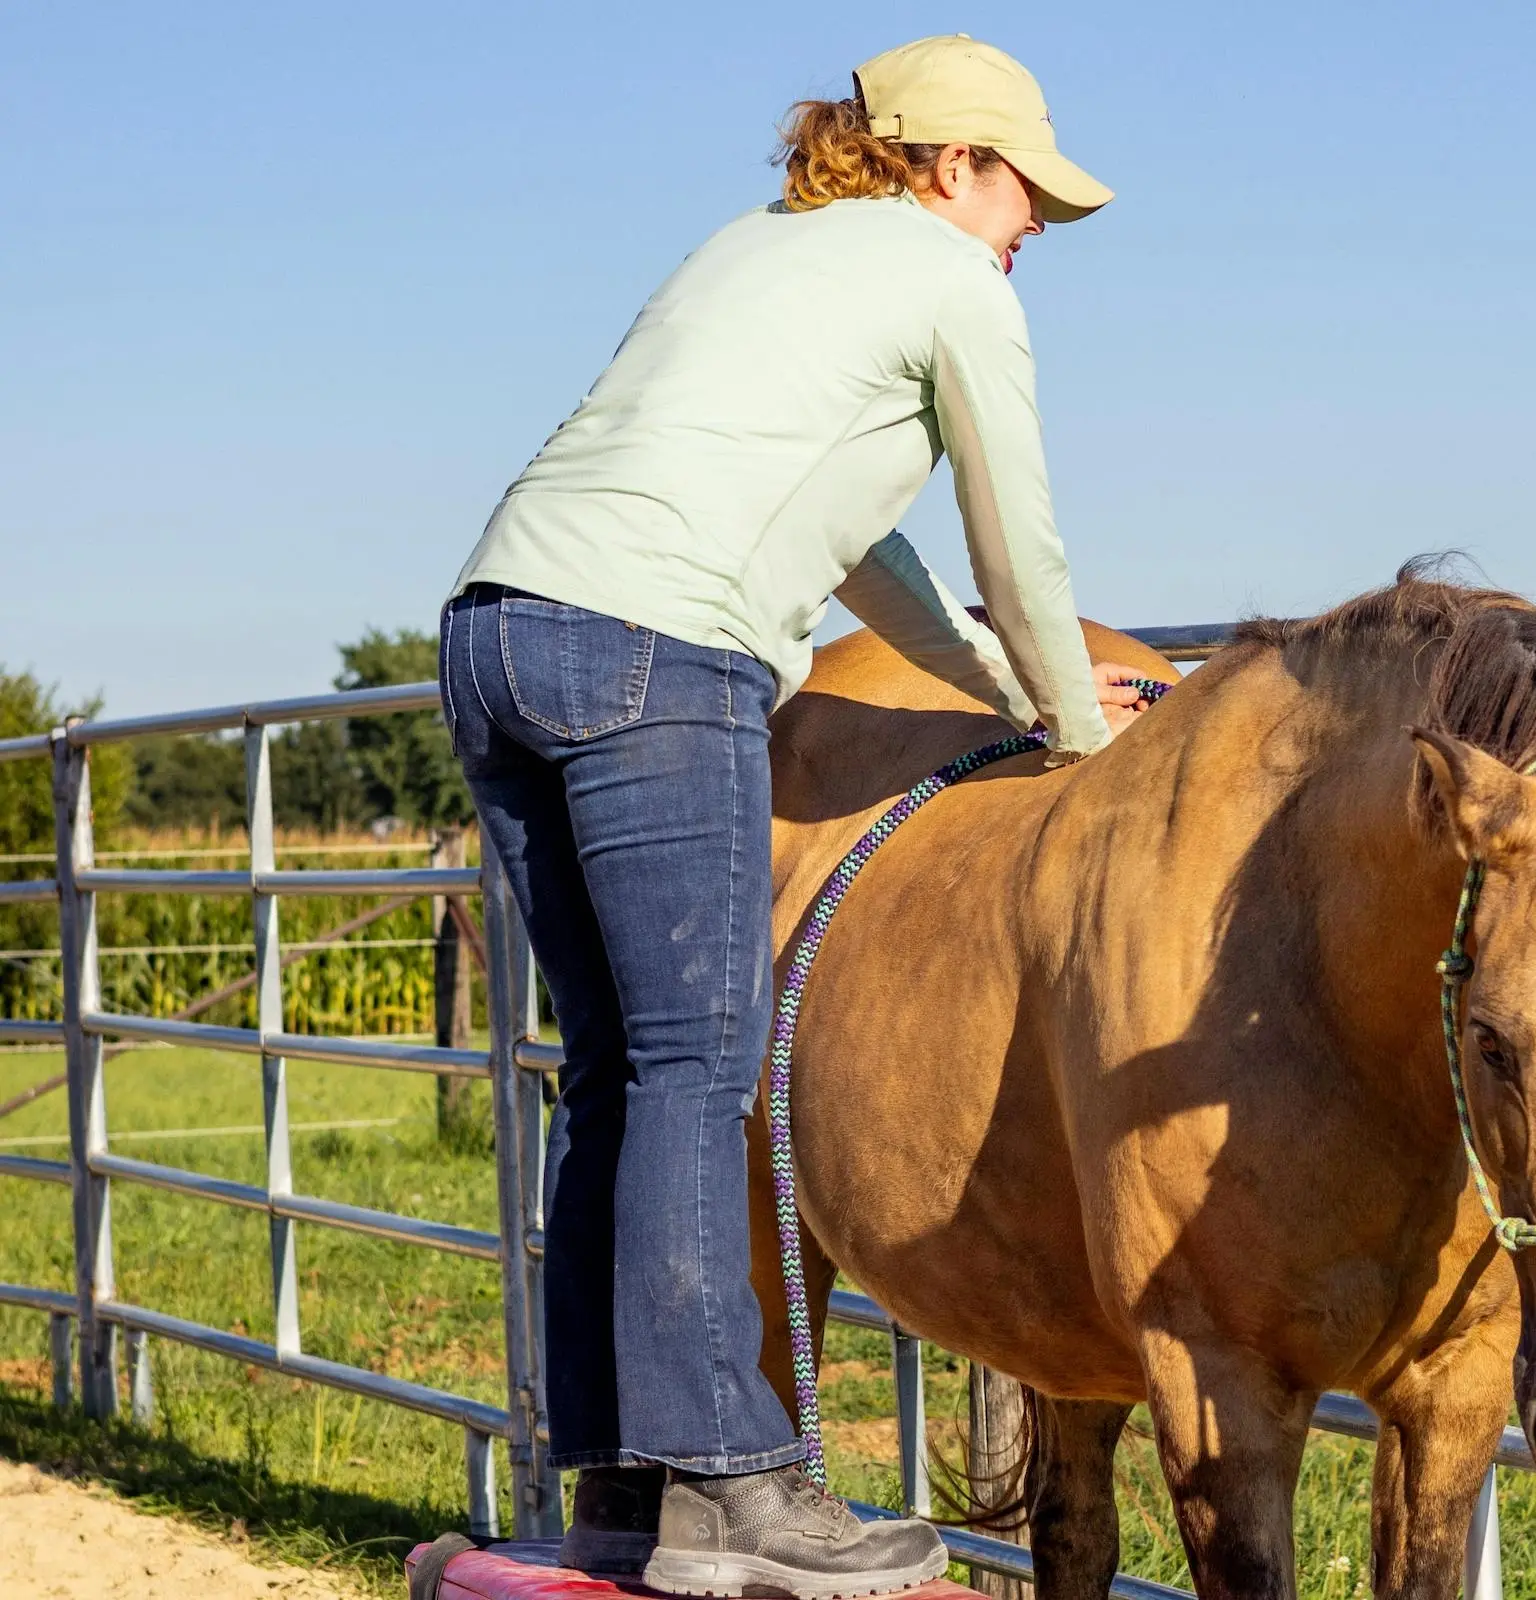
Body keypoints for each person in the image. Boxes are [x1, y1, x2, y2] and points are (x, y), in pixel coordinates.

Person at [438, 33, 1143, 1600]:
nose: (1037, 230)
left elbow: (861, 549)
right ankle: (738, 1489)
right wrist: (1083, 736)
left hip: (498, 631)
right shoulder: (954, 288)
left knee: (615, 1074)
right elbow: (1017, 541)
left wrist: (993, 688)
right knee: (702, 1063)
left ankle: (622, 1487)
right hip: (650, 652)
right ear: (951, 165)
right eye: (1027, 191)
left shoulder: (766, 250)